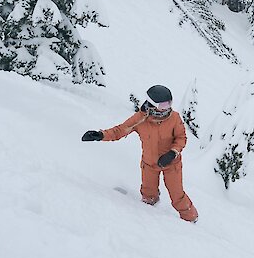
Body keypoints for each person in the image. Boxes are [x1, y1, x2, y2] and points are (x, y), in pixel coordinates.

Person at [82, 85, 199, 221]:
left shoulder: (174, 118)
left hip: (171, 163)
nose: (167, 108)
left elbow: (181, 138)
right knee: (148, 193)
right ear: (153, 104)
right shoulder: (140, 119)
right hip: (150, 164)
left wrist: (173, 153)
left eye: (169, 103)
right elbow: (120, 130)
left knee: (177, 195)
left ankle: (191, 218)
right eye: (163, 105)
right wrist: (100, 135)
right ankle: (148, 214)